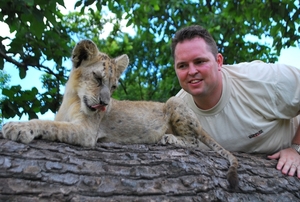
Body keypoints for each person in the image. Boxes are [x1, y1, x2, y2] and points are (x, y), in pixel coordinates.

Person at [171, 25, 300, 178]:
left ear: (219, 61)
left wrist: (296, 148)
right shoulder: (175, 113)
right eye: (183, 65)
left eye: (199, 61)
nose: (192, 71)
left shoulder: (259, 80)